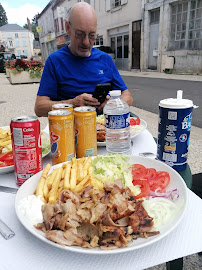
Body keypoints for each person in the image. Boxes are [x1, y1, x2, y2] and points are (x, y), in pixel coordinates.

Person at [34, 2, 133, 117]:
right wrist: (72, 104)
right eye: (80, 34)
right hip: (69, 130)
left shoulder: (105, 59)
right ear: (67, 28)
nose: (86, 42)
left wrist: (113, 105)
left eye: (92, 35)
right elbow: (39, 108)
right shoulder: (55, 60)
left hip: (103, 129)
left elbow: (128, 97)